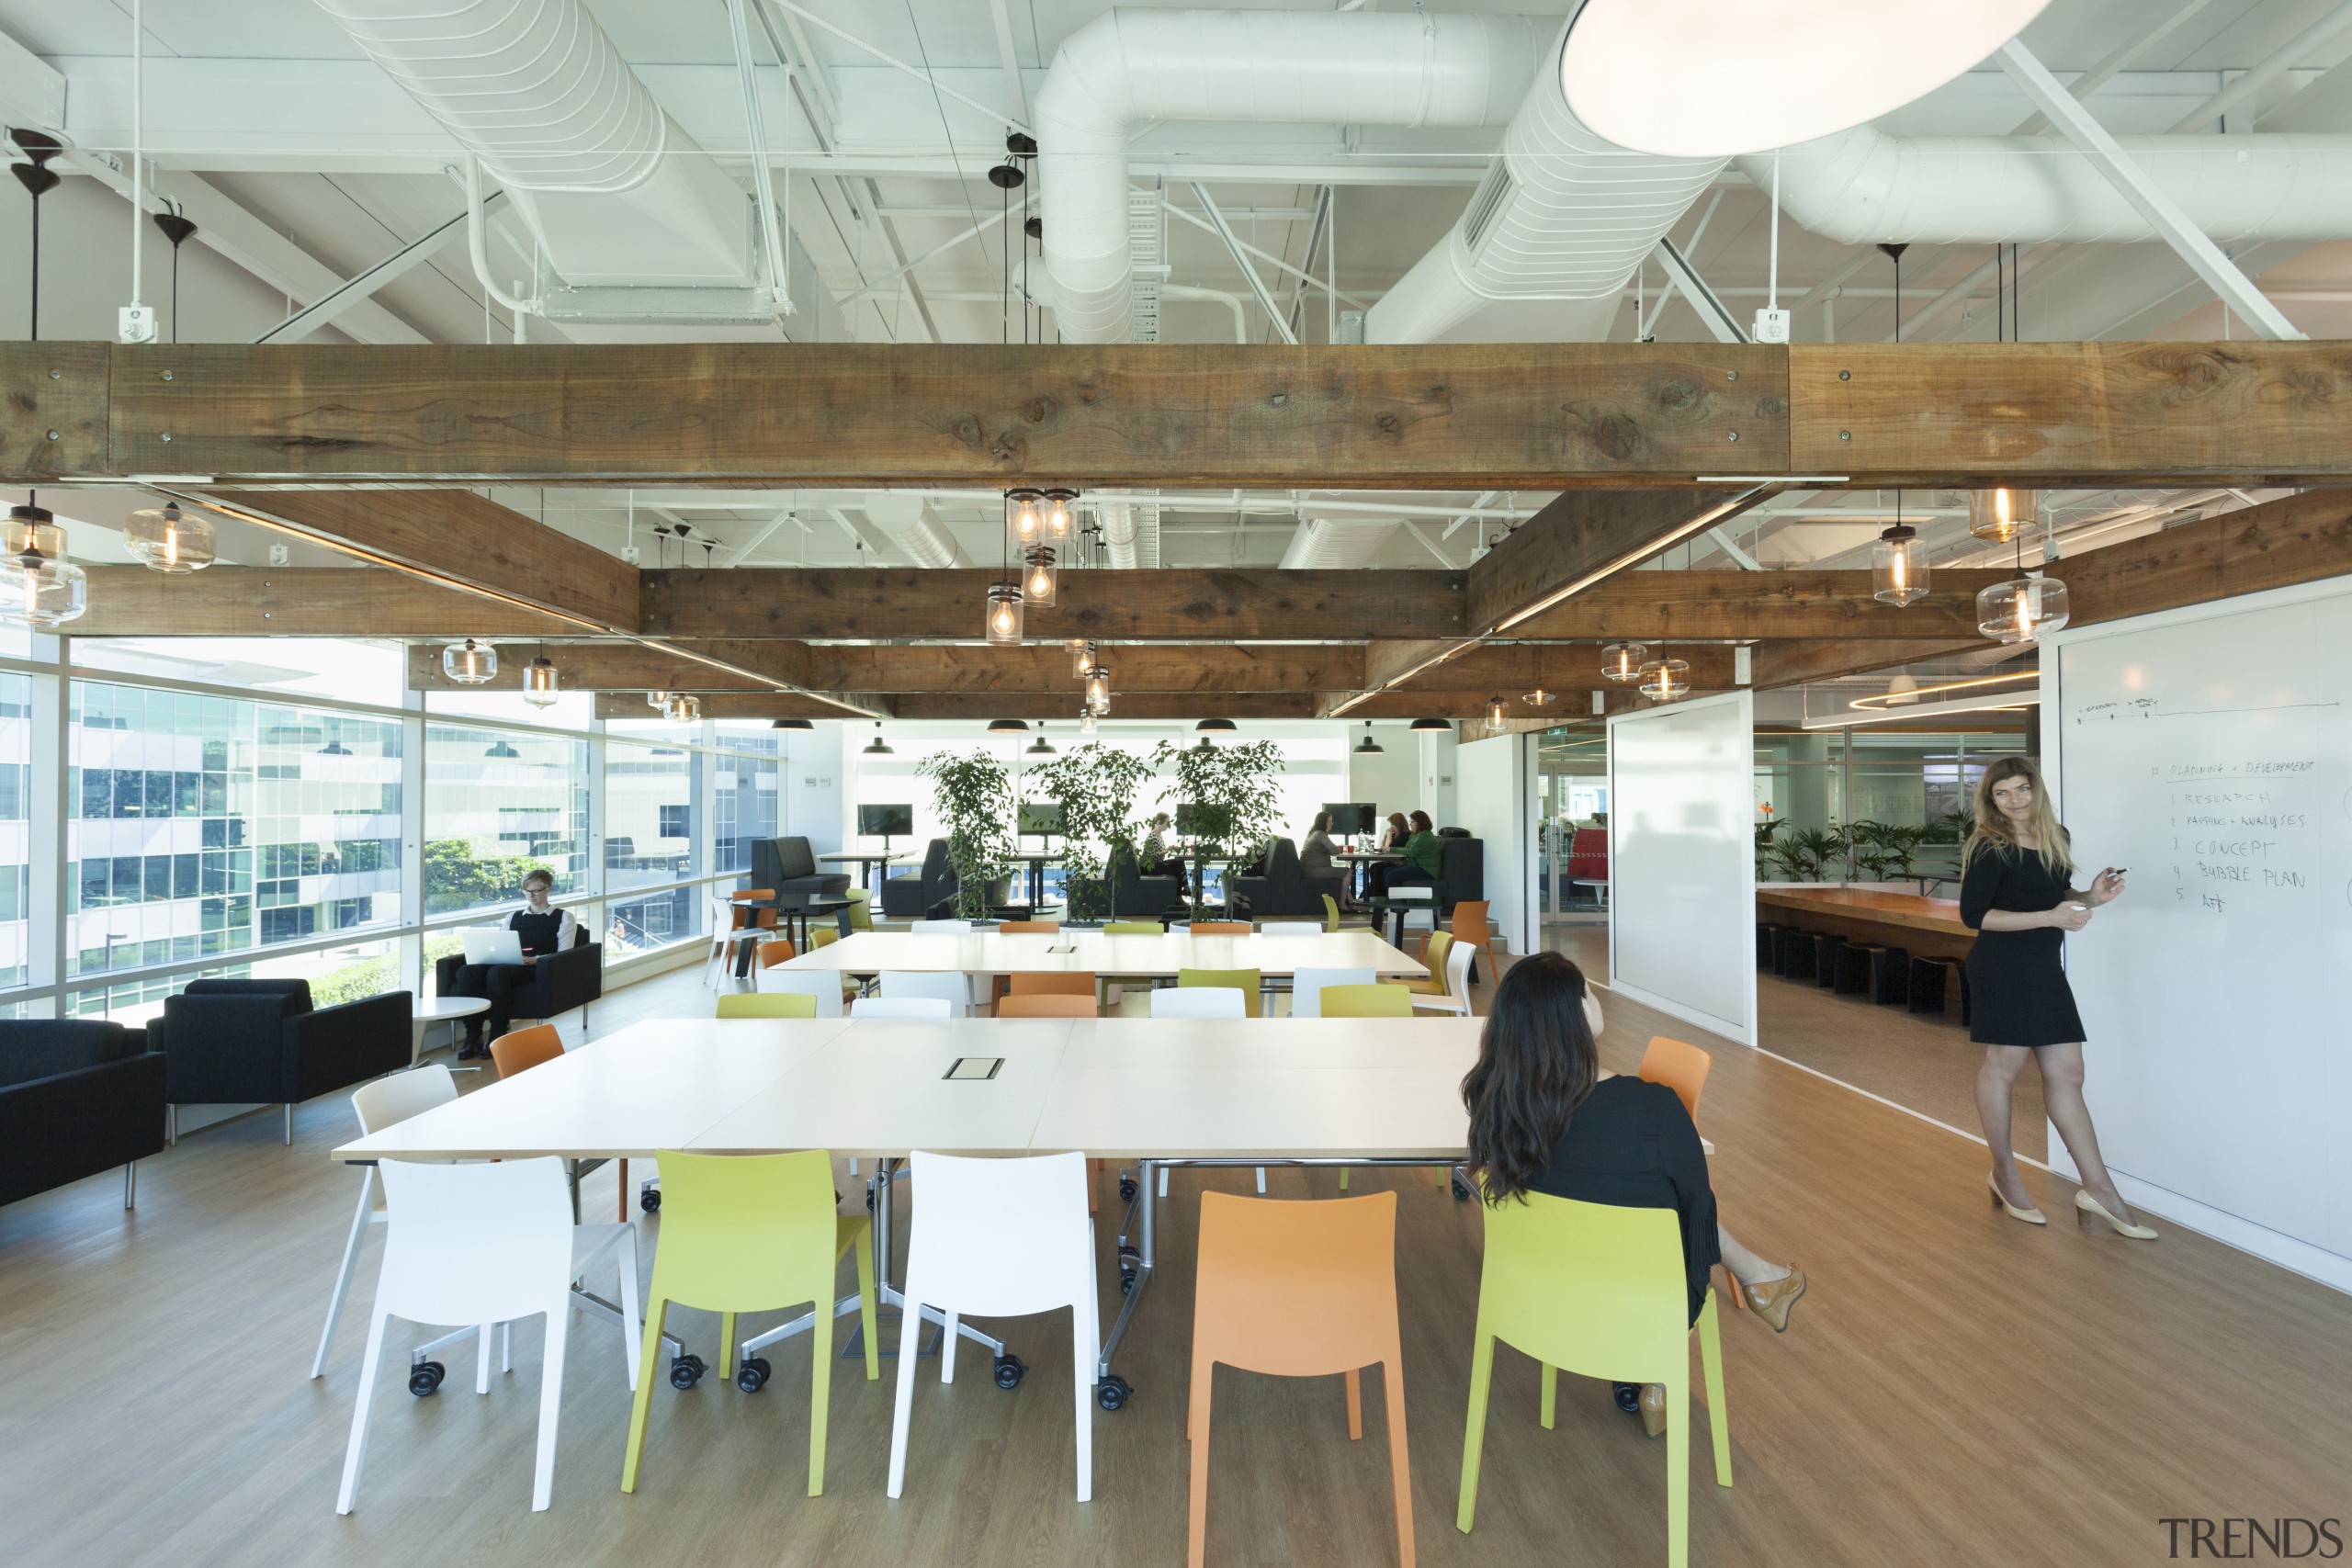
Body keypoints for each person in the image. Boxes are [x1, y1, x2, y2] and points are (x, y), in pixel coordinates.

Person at [1463, 952, 1805, 1437]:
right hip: (1644, 1301)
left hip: (1536, 1297)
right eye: (1587, 989)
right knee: (1672, 1201)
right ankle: (1687, 1339)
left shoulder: (1496, 1108)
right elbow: (1698, 1213)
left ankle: (1750, 1283)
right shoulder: (1652, 1107)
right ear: (1573, 1014)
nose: (1595, 996)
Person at [1961, 756, 2152, 1238]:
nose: (2015, 800)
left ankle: (2098, 1189)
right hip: (2001, 966)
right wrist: (2052, 918)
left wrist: (2089, 897)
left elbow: (2051, 892)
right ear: (1991, 801)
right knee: (2003, 1067)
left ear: (2036, 790)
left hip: (2043, 967)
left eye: (2022, 789)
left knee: (2068, 1072)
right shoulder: (1990, 846)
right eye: (2002, 793)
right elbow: (1975, 917)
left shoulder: (2055, 836)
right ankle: (2004, 1174)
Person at [445, 867, 580, 1058]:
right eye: (527, 891)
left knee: (498, 973)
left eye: (536, 891)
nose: (531, 896)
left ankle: (497, 1033)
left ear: (548, 889)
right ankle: (473, 1035)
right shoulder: (513, 917)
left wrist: (535, 960)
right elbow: (500, 945)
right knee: (466, 971)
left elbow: (564, 954)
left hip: (536, 967)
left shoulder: (563, 918)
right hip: (507, 964)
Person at [1300, 811, 1339, 882]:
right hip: (1315, 871)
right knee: (1348, 872)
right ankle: (1344, 893)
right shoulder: (1320, 835)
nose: (1332, 824)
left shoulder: (1313, 833)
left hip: (1308, 870)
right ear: (1323, 823)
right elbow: (1335, 850)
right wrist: (1329, 851)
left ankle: (1348, 893)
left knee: (1343, 873)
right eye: (1330, 821)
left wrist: (1328, 851)